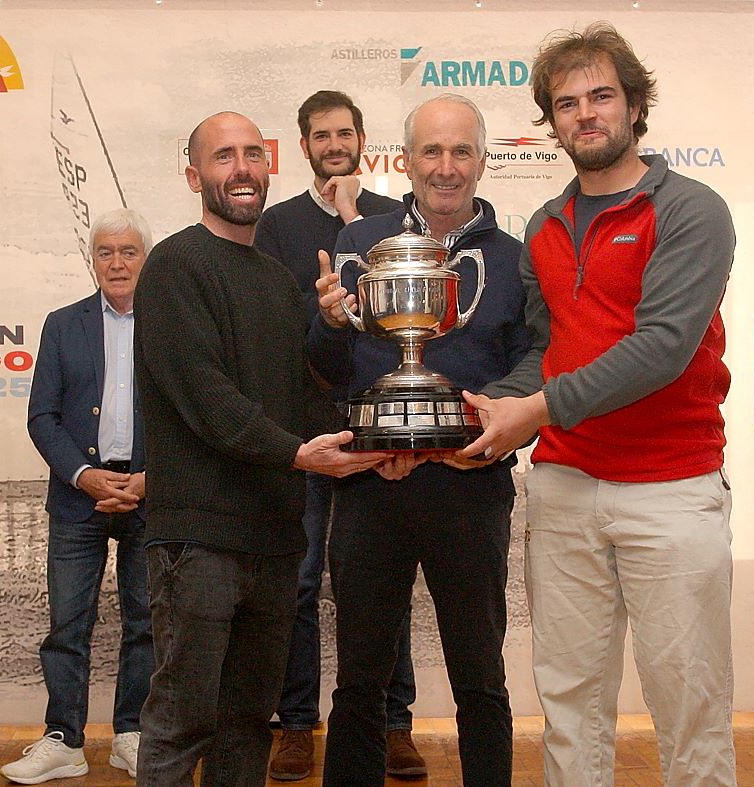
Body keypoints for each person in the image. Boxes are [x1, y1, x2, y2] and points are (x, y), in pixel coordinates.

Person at [461, 23, 739, 785]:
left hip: (672, 490)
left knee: (689, 705)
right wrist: (485, 409)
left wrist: (535, 410)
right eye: (566, 103)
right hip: (565, 488)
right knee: (570, 705)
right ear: (550, 122)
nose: (585, 114)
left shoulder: (690, 210)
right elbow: (546, 352)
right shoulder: (545, 227)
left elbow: (661, 349)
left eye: (601, 96)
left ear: (635, 104)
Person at [132, 111, 390, 786]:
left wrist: (370, 442)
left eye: (252, 153)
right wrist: (303, 456)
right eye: (223, 156)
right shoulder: (173, 265)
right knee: (181, 722)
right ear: (194, 175)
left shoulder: (277, 280)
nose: (242, 167)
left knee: (249, 721)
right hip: (199, 542)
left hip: (274, 540)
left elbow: (302, 396)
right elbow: (208, 400)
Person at [309, 94, 528, 787]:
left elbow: (532, 361)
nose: (445, 166)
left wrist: (489, 429)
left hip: (470, 483)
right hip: (378, 483)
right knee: (359, 680)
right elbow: (330, 366)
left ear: (482, 161)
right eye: (431, 151)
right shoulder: (359, 243)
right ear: (404, 161)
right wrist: (327, 322)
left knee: (481, 679)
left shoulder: (517, 259)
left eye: (460, 150)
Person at [255, 90, 421, 781]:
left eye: (343, 133)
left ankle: (392, 722)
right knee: (296, 583)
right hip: (302, 435)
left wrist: (355, 217)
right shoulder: (275, 225)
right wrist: (320, 303)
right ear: (303, 147)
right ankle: (296, 722)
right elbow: (270, 320)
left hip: (378, 428)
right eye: (319, 136)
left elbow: (408, 313)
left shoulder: (394, 216)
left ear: (361, 140)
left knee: (381, 584)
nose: (332, 145)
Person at [0, 209, 155, 784]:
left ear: (147, 258)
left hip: (147, 495)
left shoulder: (170, 322)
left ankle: (132, 734)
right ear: (92, 260)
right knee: (68, 624)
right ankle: (63, 740)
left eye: (128, 251)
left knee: (146, 622)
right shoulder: (62, 324)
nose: (117, 263)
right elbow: (41, 416)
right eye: (105, 252)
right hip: (77, 499)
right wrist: (83, 475)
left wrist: (149, 478)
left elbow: (187, 414)